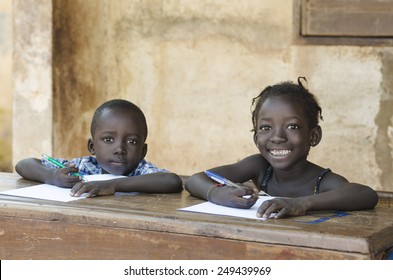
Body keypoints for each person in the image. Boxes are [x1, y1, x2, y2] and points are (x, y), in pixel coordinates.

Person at [185, 78, 378, 219]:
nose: (277, 137)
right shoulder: (260, 166)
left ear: (313, 136)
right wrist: (216, 194)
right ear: (256, 138)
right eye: (266, 128)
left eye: (292, 126)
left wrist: (302, 203)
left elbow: (366, 195)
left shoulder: (322, 181)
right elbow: (195, 180)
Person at [15, 99, 183, 197]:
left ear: (143, 151)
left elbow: (172, 181)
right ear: (92, 147)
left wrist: (113, 185)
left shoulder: (141, 170)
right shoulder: (83, 167)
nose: (119, 149)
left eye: (132, 142)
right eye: (108, 139)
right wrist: (52, 176)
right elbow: (23, 165)